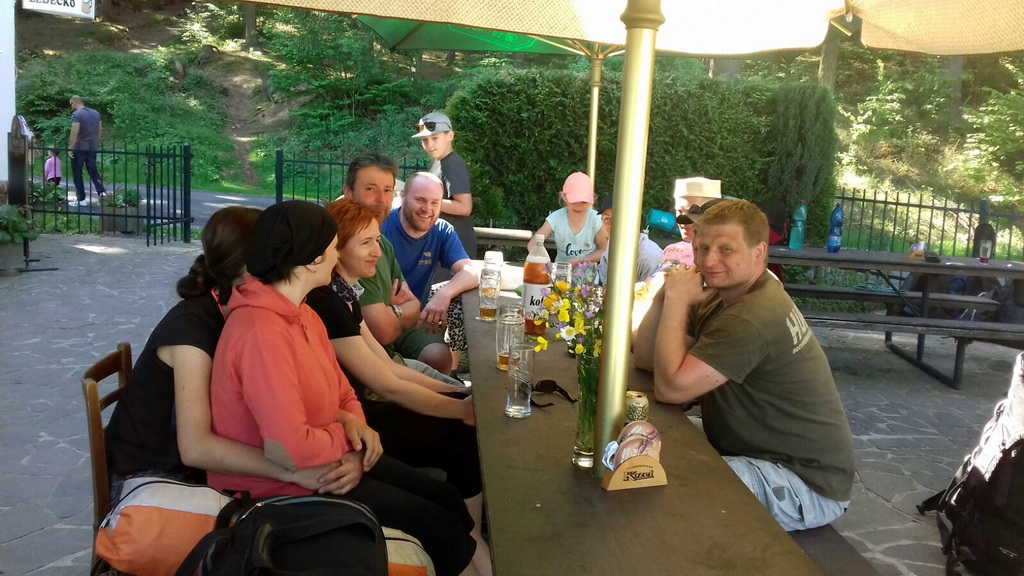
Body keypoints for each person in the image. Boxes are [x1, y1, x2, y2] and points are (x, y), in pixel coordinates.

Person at [209, 200, 479, 576]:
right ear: (311, 260)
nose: (337, 256)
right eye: (334, 247)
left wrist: (355, 428)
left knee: (445, 499)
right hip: (282, 487)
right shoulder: (261, 332)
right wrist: (351, 441)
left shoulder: (303, 312)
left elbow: (344, 393)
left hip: (327, 463)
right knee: (438, 526)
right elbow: (290, 448)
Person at [633, 199, 855, 532]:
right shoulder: (722, 296)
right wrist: (666, 294)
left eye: (726, 250)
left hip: (802, 481)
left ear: (759, 252)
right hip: (754, 453)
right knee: (640, 448)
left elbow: (670, 389)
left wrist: (678, 301)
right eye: (703, 248)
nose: (709, 260)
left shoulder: (753, 314)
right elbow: (646, 359)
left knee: (660, 488)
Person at [307, 198, 492, 576]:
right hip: (357, 425)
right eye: (366, 243)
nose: (378, 252)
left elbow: (389, 366)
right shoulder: (325, 301)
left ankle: (472, 536)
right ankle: (472, 538)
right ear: (336, 249)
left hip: (359, 417)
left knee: (459, 439)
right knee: (459, 439)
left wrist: (457, 395)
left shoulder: (344, 294)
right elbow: (386, 384)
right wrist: (460, 408)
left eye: (377, 241)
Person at [104, 206, 339, 499]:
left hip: (209, 464)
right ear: (250, 264)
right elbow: (196, 448)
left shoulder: (252, 313)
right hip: (155, 478)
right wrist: (291, 471)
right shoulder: (191, 332)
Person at [341, 153, 455, 376]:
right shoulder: (349, 247)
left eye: (387, 190)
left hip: (391, 337)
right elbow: (383, 332)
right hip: (365, 359)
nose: (381, 200)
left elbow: (414, 306)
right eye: (370, 189)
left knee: (440, 358)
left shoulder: (381, 243)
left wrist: (393, 311)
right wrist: (397, 310)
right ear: (348, 192)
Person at [382, 172, 478, 371]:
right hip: (377, 315)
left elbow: (470, 272)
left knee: (439, 358)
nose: (427, 209)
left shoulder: (442, 230)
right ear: (402, 196)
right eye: (420, 200)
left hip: (414, 319)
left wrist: (443, 294)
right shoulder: (381, 228)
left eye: (435, 202)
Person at [413, 112, 476, 257]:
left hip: (455, 249)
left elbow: (464, 207)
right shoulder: (439, 162)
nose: (429, 144)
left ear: (450, 136)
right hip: (443, 245)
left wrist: (424, 202)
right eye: (425, 140)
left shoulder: (453, 164)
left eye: (435, 138)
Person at [528, 172, 607, 264]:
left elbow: (604, 249)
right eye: (574, 201)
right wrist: (546, 264)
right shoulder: (556, 218)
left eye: (583, 202)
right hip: (559, 271)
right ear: (564, 197)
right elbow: (532, 244)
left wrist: (580, 261)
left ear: (592, 199)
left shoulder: (595, 220)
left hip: (589, 273)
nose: (578, 206)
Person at [597, 193, 662, 285]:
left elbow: (653, 292)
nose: (612, 225)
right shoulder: (610, 247)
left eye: (618, 218)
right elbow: (606, 287)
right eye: (607, 219)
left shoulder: (650, 256)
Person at [67, 95, 106, 207]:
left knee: (77, 173)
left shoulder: (77, 115)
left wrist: (71, 147)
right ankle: (101, 192)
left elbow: (74, 131)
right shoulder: (95, 113)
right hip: (92, 147)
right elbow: (100, 129)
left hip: (79, 147)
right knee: (93, 170)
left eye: (71, 104)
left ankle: (81, 199)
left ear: (74, 103)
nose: (71, 107)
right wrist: (96, 143)